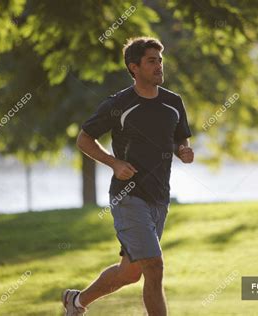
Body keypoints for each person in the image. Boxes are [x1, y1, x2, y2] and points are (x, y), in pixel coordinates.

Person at [63, 36, 194, 316]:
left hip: (159, 197)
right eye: (151, 61)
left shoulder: (173, 102)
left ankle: (77, 302)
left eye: (160, 60)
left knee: (130, 273)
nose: (159, 66)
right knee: (154, 267)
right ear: (134, 67)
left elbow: (179, 139)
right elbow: (84, 139)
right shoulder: (119, 103)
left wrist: (184, 150)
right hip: (128, 196)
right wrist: (113, 163)